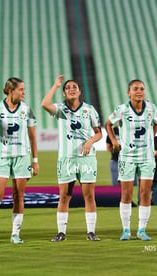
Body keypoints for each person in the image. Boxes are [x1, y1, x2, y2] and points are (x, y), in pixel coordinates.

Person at [42, 75, 102, 242]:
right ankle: (61, 232)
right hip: (66, 159)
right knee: (64, 196)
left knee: (89, 196)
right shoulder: (61, 109)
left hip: (86, 159)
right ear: (64, 93)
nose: (71, 89)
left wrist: (90, 141)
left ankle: (91, 232)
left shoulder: (89, 110)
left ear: (80, 91)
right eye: (67, 88)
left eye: (74, 87)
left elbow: (99, 133)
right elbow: (44, 104)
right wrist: (55, 85)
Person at [0, 77, 39, 245]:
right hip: (1, 156)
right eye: (21, 89)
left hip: (22, 157)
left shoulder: (27, 109)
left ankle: (15, 234)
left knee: (18, 196)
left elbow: (32, 136)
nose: (24, 92)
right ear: (10, 90)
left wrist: (35, 160)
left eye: (23, 89)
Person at [105, 79, 157, 241]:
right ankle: (126, 230)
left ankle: (142, 230)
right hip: (127, 156)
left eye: (142, 89)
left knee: (144, 193)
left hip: (146, 157)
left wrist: (150, 138)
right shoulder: (122, 110)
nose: (139, 91)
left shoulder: (151, 108)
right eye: (135, 89)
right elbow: (108, 124)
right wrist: (114, 141)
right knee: (127, 194)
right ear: (129, 92)